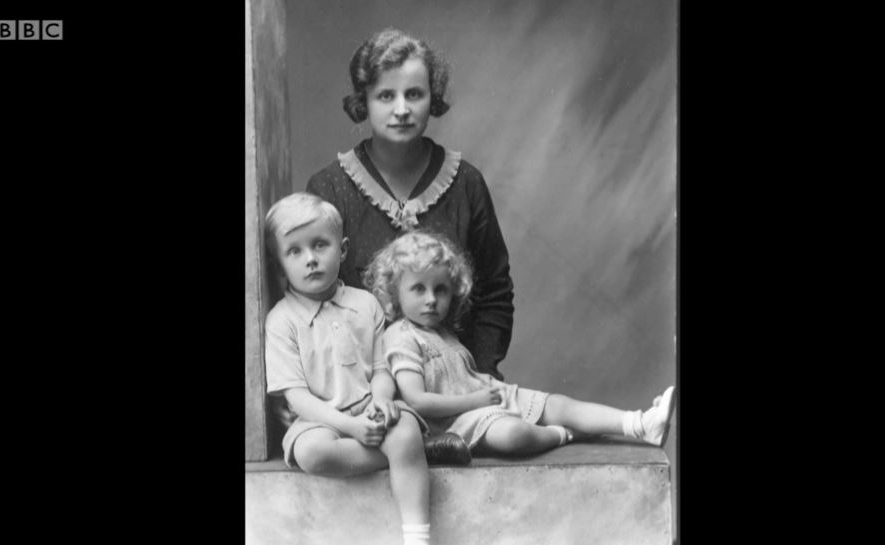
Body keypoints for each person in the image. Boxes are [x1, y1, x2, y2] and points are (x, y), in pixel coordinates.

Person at [305, 27, 513, 383]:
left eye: (414, 94)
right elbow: (309, 304)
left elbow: (494, 291)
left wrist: (480, 373)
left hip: (453, 386)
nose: (401, 109)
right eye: (386, 96)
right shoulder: (328, 188)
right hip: (362, 391)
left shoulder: (466, 183)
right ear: (363, 101)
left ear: (432, 99)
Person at [364, 231, 676, 456]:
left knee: (558, 404)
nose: (431, 300)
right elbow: (418, 401)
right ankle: (562, 435)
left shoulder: (442, 332)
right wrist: (477, 401)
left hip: (483, 400)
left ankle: (639, 424)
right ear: (394, 293)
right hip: (452, 423)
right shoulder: (400, 337)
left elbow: (461, 378)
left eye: (441, 289)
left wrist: (486, 387)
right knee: (513, 435)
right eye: (418, 289)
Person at [263, 193, 433, 545]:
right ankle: (404, 455)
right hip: (320, 421)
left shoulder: (365, 303)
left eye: (320, 245)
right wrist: (350, 427)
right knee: (310, 452)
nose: (310, 259)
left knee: (403, 428)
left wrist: (382, 399)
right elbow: (296, 397)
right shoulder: (281, 321)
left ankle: (417, 536)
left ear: (341, 250)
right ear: (280, 265)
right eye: (294, 251)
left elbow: (381, 368)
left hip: (368, 409)